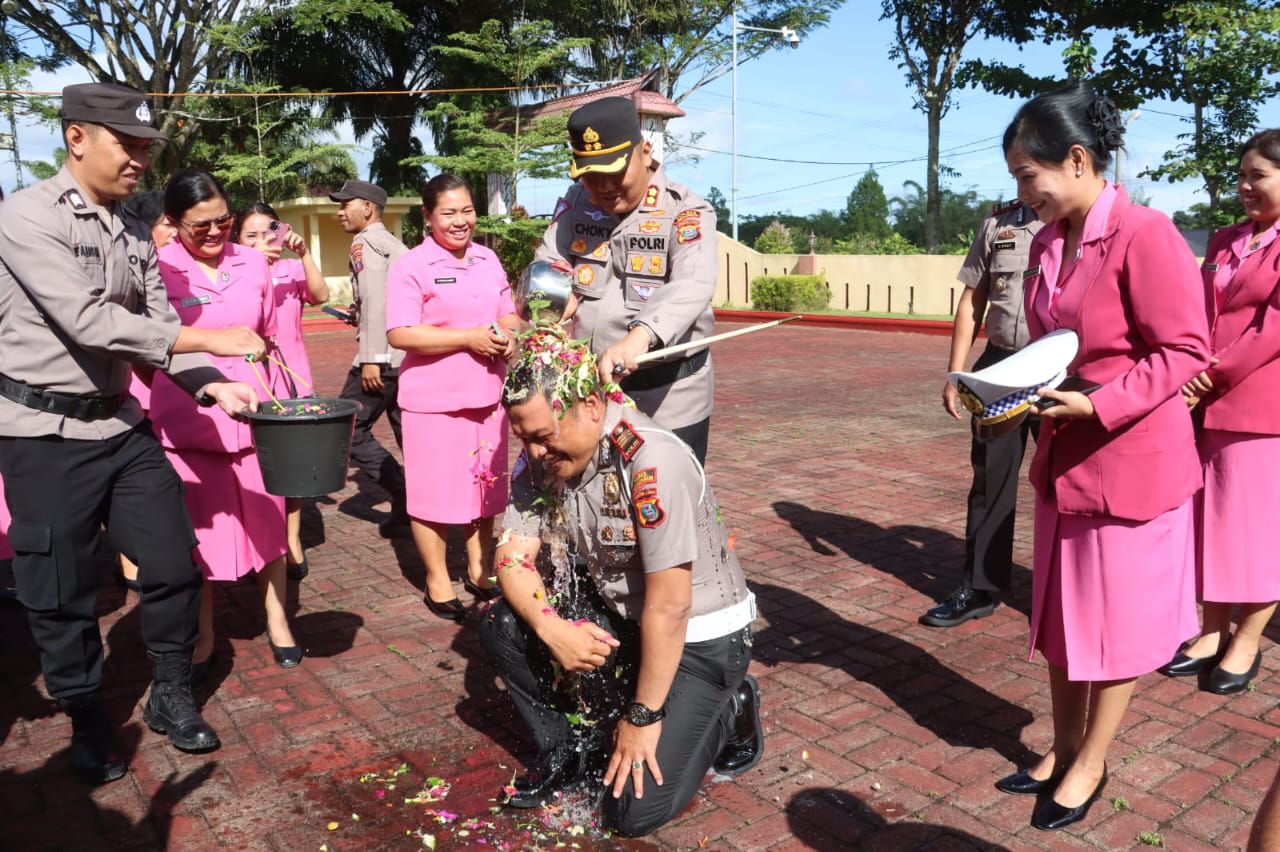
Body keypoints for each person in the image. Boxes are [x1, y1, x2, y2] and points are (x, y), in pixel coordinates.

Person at [0, 82, 264, 783]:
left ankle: (171, 692)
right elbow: (88, 320)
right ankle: (86, 711)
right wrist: (211, 336)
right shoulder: (25, 217)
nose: (141, 160)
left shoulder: (129, 230)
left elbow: (154, 334)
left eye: (148, 147)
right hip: (42, 433)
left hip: (121, 425)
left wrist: (210, 380)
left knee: (175, 562)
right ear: (77, 137)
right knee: (59, 589)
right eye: (128, 143)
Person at [992, 82, 1210, 831]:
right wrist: (1010, 395)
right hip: (1062, 457)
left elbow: (1186, 348)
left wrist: (1101, 403)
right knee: (1058, 618)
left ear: (1078, 159)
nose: (1023, 192)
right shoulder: (1051, 241)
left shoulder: (1148, 234)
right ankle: (1061, 744)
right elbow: (1053, 347)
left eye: (1030, 175)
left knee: (1111, 625)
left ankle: (1092, 758)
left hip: (1127, 461)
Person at [479, 326, 763, 837]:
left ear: (590, 404)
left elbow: (670, 608)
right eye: (525, 439)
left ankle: (732, 706)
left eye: (544, 436)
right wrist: (552, 630)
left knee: (633, 814)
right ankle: (570, 752)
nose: (537, 453)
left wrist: (641, 716)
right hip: (628, 619)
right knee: (503, 623)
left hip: (699, 638)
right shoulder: (544, 456)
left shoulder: (650, 459)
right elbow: (512, 559)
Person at [148, 169, 302, 679]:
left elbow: (272, 338)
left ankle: (279, 619)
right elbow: (152, 348)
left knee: (270, 524)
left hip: (258, 414)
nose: (214, 233)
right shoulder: (157, 270)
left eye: (222, 222)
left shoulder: (253, 264)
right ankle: (205, 632)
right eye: (199, 227)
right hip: (191, 420)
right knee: (200, 537)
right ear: (173, 223)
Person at [534, 96, 718, 464]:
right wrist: (553, 305)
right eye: (590, 176)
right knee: (604, 507)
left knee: (662, 501)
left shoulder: (685, 211)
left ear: (645, 152)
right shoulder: (577, 203)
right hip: (593, 394)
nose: (602, 186)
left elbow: (693, 282)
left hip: (667, 395)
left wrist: (639, 337)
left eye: (614, 171)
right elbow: (549, 260)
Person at [1162, 129, 1280, 695]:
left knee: (1255, 532)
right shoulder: (1228, 237)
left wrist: (1211, 376)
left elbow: (1271, 329)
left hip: (1259, 407)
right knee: (1208, 523)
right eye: (1242, 176)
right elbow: (1197, 308)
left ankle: (1248, 638)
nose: (1244, 187)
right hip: (1204, 402)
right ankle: (1210, 629)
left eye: (1258, 176)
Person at [385, 175, 519, 620]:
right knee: (432, 494)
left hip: (487, 394)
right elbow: (401, 332)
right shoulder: (412, 264)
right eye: (448, 213)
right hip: (433, 400)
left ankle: (481, 570)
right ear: (428, 217)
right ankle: (438, 579)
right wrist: (467, 339)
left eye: (467, 210)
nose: (460, 221)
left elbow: (509, 314)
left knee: (486, 487)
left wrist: (511, 336)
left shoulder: (488, 258)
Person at [922, 201, 1042, 627]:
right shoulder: (999, 224)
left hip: (1059, 369)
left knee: (1068, 485)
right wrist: (956, 373)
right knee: (990, 482)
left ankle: (1067, 591)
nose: (1026, 182)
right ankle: (980, 587)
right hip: (1001, 367)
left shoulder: (1083, 221)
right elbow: (974, 298)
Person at [235, 202, 329, 581]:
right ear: (236, 240)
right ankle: (258, 537)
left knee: (290, 468)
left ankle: (291, 541)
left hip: (293, 379)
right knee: (255, 465)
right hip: (251, 382)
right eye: (250, 235)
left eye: (267, 233)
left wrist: (304, 254)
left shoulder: (290, 269)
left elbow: (320, 296)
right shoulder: (234, 274)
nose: (262, 241)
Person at [331, 179, 411, 535]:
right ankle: (420, 508)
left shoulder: (364, 243)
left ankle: (404, 495)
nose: (339, 211)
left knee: (345, 430)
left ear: (367, 207)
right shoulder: (394, 243)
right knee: (407, 434)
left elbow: (377, 301)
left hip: (384, 357)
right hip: (406, 355)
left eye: (345, 204)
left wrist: (371, 357)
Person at [112, 189, 179, 593]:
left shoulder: (168, 268)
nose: (174, 231)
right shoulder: (129, 269)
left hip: (164, 380)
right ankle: (127, 561)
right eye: (167, 223)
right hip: (141, 386)